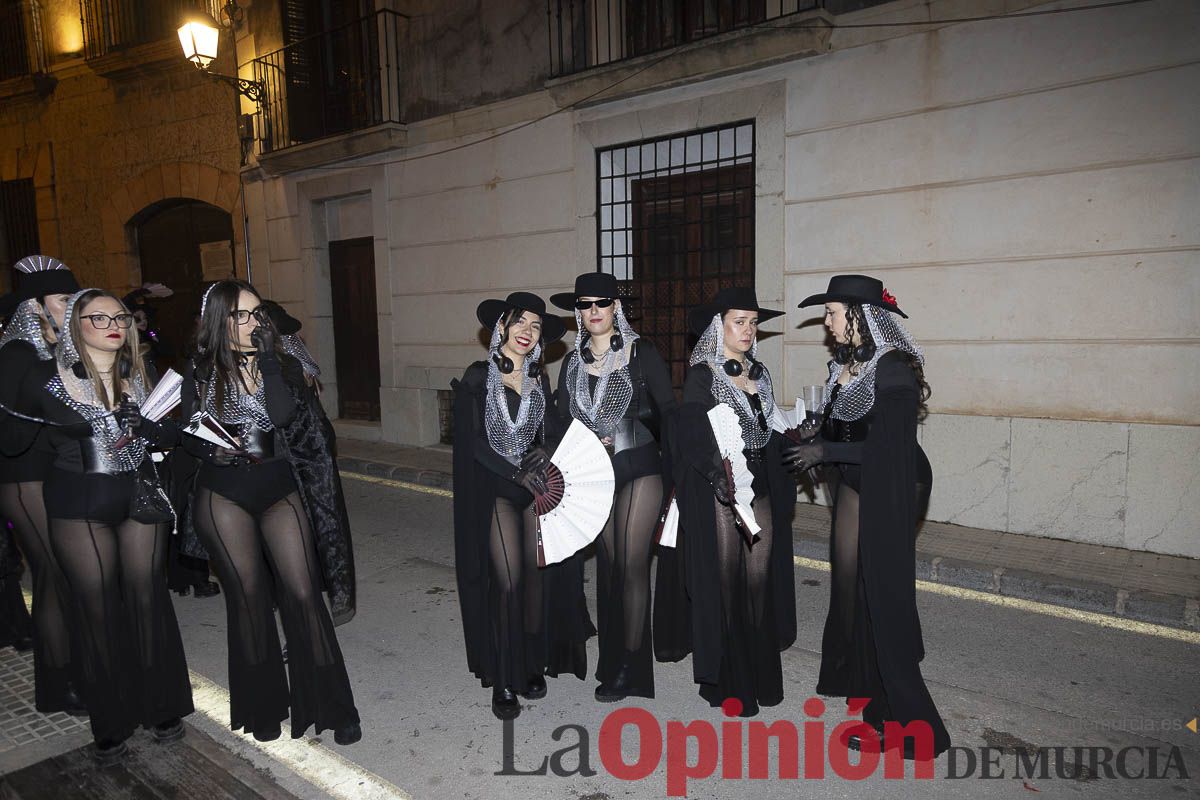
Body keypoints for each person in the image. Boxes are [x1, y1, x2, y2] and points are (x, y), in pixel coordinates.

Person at [178, 279, 360, 745]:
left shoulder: (284, 365)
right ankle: (263, 707)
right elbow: (187, 433)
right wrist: (208, 450)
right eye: (239, 315)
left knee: (303, 593)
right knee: (250, 600)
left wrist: (271, 362)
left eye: (257, 313)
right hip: (224, 496)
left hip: (279, 487)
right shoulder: (201, 371)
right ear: (220, 320)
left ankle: (333, 706)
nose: (252, 322)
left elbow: (281, 417)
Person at [16, 289, 193, 763]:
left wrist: (154, 429)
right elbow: (13, 436)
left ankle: (161, 707)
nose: (114, 324)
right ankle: (111, 722)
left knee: (147, 598)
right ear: (77, 324)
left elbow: (169, 434)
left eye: (119, 316)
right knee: (95, 612)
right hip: (79, 503)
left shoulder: (138, 375)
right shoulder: (45, 378)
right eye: (99, 317)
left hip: (137, 496)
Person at [791, 274, 950, 758]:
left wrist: (827, 447)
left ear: (861, 316)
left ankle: (921, 731)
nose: (828, 321)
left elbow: (889, 446)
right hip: (861, 480)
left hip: (897, 484)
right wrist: (816, 430)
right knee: (857, 590)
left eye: (834, 313)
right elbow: (850, 427)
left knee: (885, 597)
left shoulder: (894, 367)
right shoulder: (849, 365)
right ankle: (880, 713)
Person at [451, 291, 593, 720]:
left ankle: (531, 663)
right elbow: (472, 442)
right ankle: (505, 677)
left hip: (533, 492)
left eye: (535, 326)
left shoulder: (538, 380)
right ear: (502, 327)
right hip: (495, 491)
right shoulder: (478, 377)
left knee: (535, 581)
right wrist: (514, 473)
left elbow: (550, 429)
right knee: (509, 582)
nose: (528, 332)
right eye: (520, 323)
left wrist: (546, 450)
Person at [550, 273, 676, 701]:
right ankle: (614, 660)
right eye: (585, 305)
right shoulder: (572, 363)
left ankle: (632, 669)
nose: (594, 311)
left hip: (641, 466)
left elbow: (670, 413)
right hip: (595, 477)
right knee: (608, 571)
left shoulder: (642, 354)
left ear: (616, 307)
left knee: (631, 564)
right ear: (578, 313)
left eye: (602, 303)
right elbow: (562, 422)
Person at [673, 287, 797, 716]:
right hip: (722, 486)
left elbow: (772, 425)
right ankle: (733, 683)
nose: (747, 330)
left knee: (759, 581)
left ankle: (761, 675)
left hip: (761, 482)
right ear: (718, 328)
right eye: (738, 322)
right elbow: (690, 430)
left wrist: (800, 439)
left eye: (752, 321)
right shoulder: (703, 375)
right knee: (727, 582)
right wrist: (715, 475)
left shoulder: (760, 372)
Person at [0, 256, 84, 714]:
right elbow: (9, 433)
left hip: (50, 473)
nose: (70, 307)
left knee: (65, 575)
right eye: (63, 299)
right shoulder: (15, 354)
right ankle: (58, 686)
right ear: (35, 306)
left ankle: (68, 675)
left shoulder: (54, 351)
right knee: (53, 574)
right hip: (22, 478)